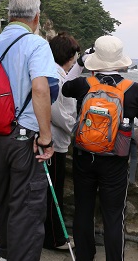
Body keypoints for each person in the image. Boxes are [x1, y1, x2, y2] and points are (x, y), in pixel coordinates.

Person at [0, 0, 58, 261]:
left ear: (9, 15)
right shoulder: (36, 44)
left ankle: (5, 253)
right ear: (36, 17)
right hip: (25, 136)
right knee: (28, 205)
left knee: (4, 197)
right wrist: (45, 137)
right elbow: (41, 89)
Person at [62, 35, 138, 261]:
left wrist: (79, 64)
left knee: (83, 210)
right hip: (115, 159)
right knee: (114, 216)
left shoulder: (84, 84)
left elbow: (64, 86)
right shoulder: (134, 89)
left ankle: (85, 256)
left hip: (84, 155)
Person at [43, 32, 82, 251]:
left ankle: (49, 235)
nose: (76, 59)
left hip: (52, 139)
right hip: (54, 142)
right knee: (53, 192)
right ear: (68, 55)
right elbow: (56, 112)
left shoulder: (54, 73)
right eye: (74, 55)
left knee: (50, 191)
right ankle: (54, 239)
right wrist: (76, 129)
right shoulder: (57, 78)